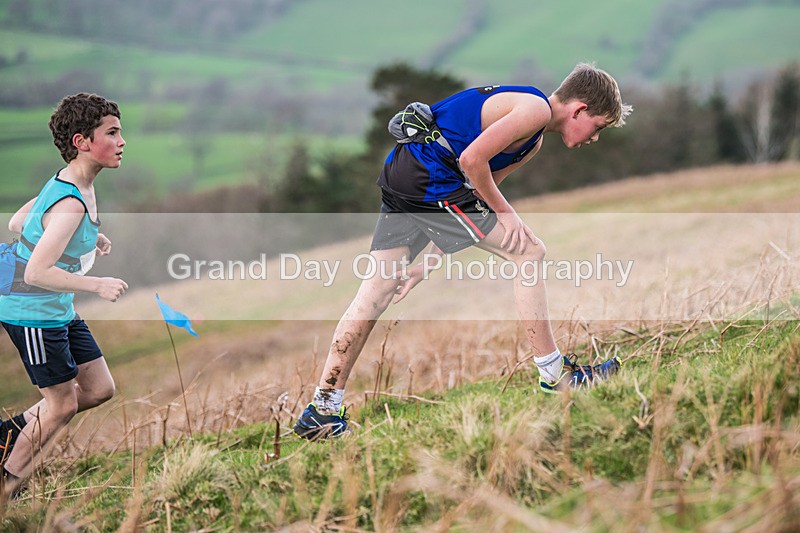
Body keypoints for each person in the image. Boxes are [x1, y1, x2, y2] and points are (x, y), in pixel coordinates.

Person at [293, 63, 633, 440]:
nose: (595, 138)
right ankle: (556, 376)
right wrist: (508, 214)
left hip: (409, 171)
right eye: (598, 127)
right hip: (428, 174)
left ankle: (321, 409)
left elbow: (471, 197)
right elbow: (472, 163)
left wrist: (429, 261)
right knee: (529, 254)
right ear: (579, 109)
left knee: (376, 291)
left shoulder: (532, 140)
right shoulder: (534, 109)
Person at [0, 93, 128, 498]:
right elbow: (37, 272)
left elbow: (20, 222)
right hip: (31, 312)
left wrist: (83, 241)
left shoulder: (73, 181)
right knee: (62, 405)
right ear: (82, 141)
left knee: (98, 389)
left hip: (55, 309)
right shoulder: (72, 202)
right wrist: (97, 283)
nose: (122, 141)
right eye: (112, 132)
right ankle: (8, 485)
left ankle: (7, 435)